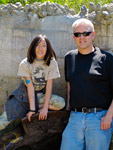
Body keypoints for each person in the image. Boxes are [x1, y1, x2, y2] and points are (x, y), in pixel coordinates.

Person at [60, 18, 113, 150]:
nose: (82, 37)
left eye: (86, 33)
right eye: (78, 34)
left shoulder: (106, 58)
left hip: (99, 118)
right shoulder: (69, 57)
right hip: (75, 117)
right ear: (73, 37)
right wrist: (68, 107)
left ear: (93, 34)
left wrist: (108, 117)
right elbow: (69, 84)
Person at [0, 34, 65, 130]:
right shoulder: (25, 63)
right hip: (23, 96)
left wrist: (45, 108)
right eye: (37, 45)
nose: (40, 49)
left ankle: (33, 107)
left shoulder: (52, 63)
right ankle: (26, 107)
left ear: (48, 48)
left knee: (61, 103)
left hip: (39, 96)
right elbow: (30, 86)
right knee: (3, 120)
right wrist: (32, 109)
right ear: (33, 47)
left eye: (43, 45)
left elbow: (49, 86)